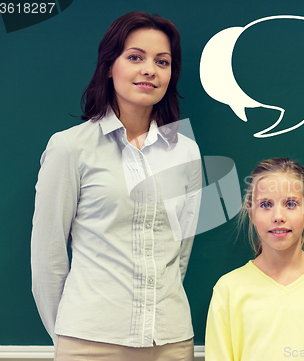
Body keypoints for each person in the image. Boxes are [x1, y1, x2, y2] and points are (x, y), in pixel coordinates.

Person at [31, 11, 201, 361]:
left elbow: (180, 251)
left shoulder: (185, 150)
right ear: (110, 66)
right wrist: (69, 334)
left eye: (162, 61)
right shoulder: (70, 147)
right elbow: (47, 258)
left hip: (170, 343)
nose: (149, 70)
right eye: (135, 57)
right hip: (89, 343)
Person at [205, 158, 304, 361]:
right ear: (250, 212)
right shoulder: (228, 290)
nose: (278, 216)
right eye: (266, 204)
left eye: (290, 204)